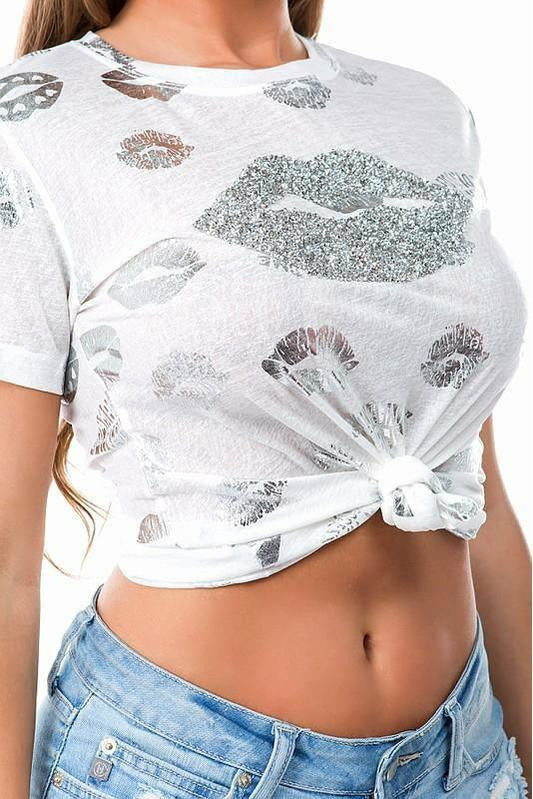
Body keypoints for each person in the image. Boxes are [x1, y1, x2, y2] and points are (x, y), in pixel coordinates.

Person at [0, 1, 530, 797]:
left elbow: (472, 493)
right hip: (178, 767)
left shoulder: (423, 109)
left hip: (464, 755)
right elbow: (6, 564)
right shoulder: (31, 126)